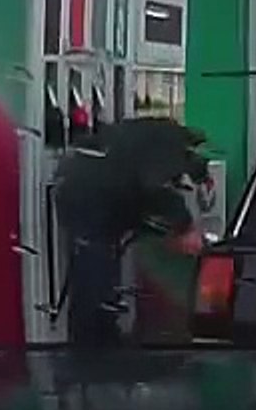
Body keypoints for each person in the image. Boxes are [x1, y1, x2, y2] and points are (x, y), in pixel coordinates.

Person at [53, 117, 211, 347]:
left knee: (92, 271)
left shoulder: (150, 136)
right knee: (95, 275)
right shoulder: (170, 145)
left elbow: (138, 186)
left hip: (80, 192)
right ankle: (94, 347)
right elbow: (153, 187)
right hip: (91, 204)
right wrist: (183, 226)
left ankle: (94, 339)